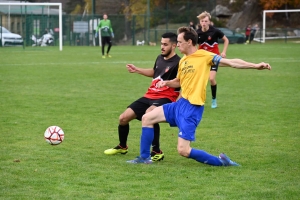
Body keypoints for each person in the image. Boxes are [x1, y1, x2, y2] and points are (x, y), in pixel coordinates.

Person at [127, 26, 271, 165]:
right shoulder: (182, 60)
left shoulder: (204, 56)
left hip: (192, 108)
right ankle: (144, 158)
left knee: (183, 150)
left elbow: (231, 62)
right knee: (147, 118)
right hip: (179, 104)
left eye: (180, 42)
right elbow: (179, 82)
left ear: (189, 42)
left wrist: (255, 65)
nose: (177, 45)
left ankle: (222, 162)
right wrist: (167, 83)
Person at [104, 32, 181, 161]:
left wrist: (176, 98)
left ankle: (156, 151)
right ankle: (122, 146)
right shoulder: (160, 57)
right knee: (123, 118)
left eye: (165, 44)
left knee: (149, 114)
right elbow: (155, 72)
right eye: (161, 44)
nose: (162, 47)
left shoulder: (179, 62)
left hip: (167, 96)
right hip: (150, 95)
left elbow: (181, 82)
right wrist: (137, 70)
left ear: (174, 45)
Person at [196, 11, 229, 109]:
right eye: (202, 21)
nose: (204, 23)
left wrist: (224, 52)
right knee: (200, 80)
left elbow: (226, 40)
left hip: (214, 58)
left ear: (209, 22)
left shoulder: (215, 31)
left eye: (206, 21)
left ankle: (214, 99)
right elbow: (196, 46)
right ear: (200, 22)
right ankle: (198, 100)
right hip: (203, 60)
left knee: (211, 79)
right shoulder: (197, 33)